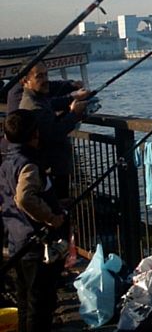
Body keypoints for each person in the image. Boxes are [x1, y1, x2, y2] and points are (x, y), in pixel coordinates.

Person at [0, 109, 68, 332]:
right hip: (35, 243)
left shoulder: (8, 160)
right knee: (40, 305)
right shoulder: (28, 164)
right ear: (34, 134)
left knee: (24, 301)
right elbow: (24, 197)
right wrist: (52, 218)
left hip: (17, 239)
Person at [17, 64, 88, 199]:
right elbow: (54, 133)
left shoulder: (37, 98)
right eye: (39, 76)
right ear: (25, 81)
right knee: (58, 209)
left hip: (54, 167)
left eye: (46, 74)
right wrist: (74, 114)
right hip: (52, 169)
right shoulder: (33, 106)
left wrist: (74, 98)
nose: (45, 79)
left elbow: (53, 103)